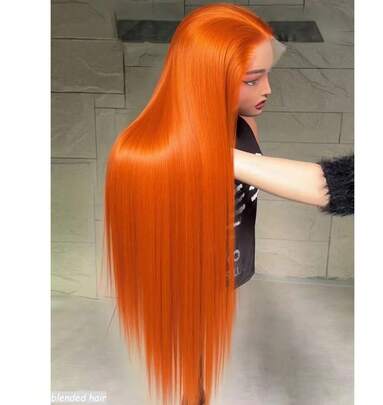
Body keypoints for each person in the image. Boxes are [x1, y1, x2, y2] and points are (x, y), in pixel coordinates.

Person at [103, 4, 354, 405]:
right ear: (208, 78)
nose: (268, 90)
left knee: (203, 350)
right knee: (191, 351)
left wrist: (215, 156)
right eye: (253, 79)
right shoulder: (145, 154)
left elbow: (306, 181)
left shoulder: (243, 125)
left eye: (267, 74)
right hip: (187, 275)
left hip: (226, 264)